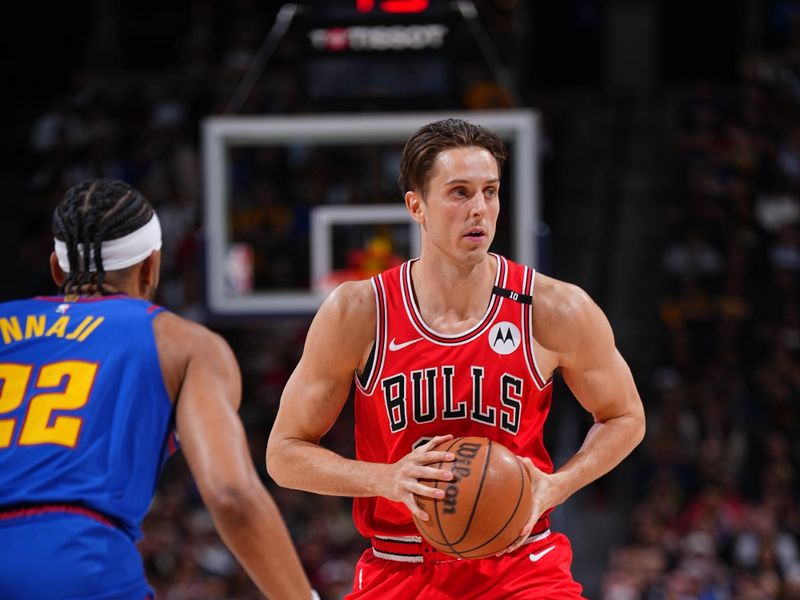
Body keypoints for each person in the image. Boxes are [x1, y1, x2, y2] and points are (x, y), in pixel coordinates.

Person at [267, 118, 646, 599]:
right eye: (460, 193)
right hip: (400, 565)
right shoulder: (360, 312)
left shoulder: (553, 308)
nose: (480, 210)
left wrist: (559, 485)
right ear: (416, 206)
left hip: (520, 563)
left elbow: (626, 416)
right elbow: (283, 455)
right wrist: (387, 479)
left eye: (490, 192)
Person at [0, 179, 313, 600]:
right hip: (77, 564)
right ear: (151, 267)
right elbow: (231, 493)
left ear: (57, 268)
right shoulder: (182, 343)